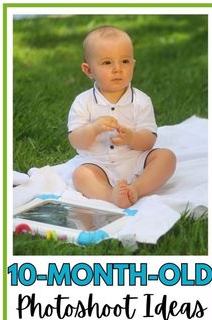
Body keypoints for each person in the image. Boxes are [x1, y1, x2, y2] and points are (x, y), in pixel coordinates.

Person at [67, 25, 176, 208]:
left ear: (133, 64)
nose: (117, 69)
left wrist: (132, 137)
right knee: (81, 175)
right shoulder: (82, 102)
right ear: (88, 70)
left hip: (135, 161)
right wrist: (93, 129)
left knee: (167, 158)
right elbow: (76, 141)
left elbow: (149, 141)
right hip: (98, 165)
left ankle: (136, 189)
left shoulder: (141, 100)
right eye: (107, 63)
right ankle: (111, 197)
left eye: (124, 61)